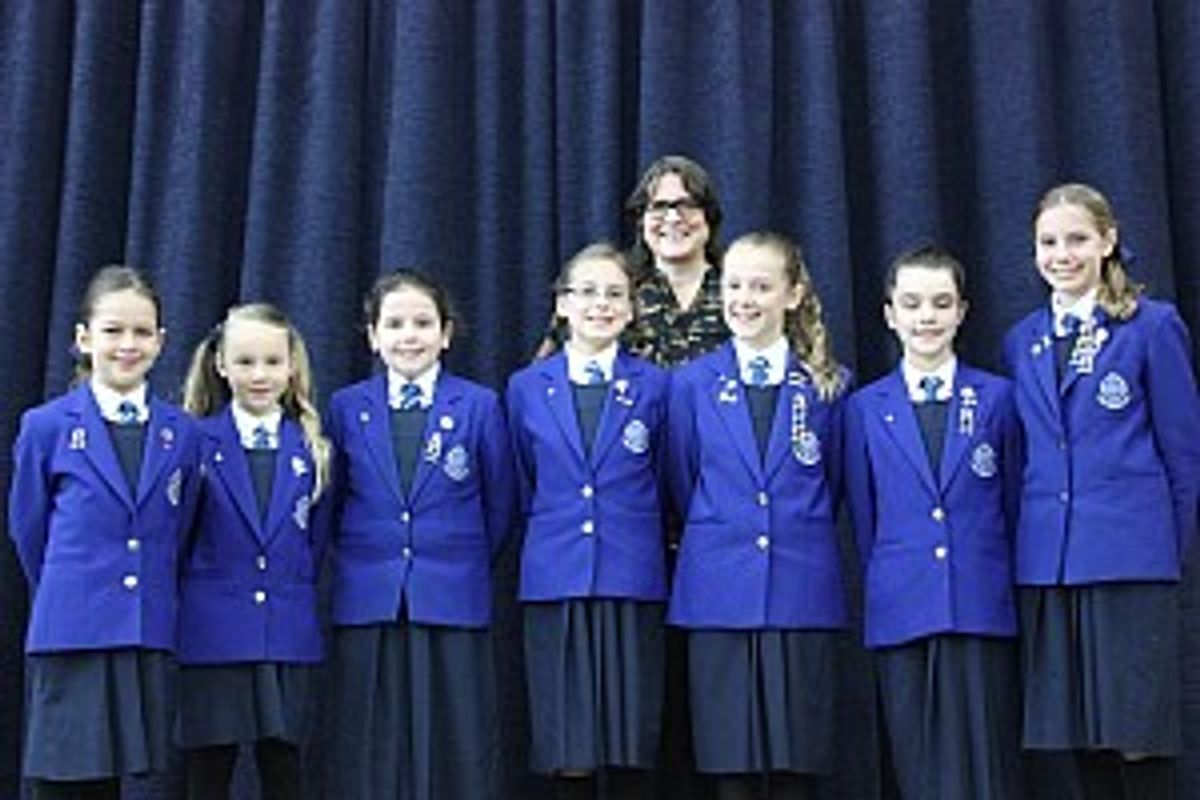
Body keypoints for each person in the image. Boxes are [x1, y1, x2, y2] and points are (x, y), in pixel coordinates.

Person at [1004, 182, 1200, 799]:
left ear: (1108, 241)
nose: (1061, 255)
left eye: (1077, 239)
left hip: (1129, 558)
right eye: (1048, 242)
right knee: (1081, 736)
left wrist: (1165, 551)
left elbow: (1182, 453)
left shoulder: (1151, 326)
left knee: (1136, 732)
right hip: (1054, 563)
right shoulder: (1023, 339)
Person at [665, 232, 851, 800]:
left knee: (798, 762)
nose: (744, 299)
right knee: (731, 767)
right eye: (735, 285)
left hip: (800, 590)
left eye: (761, 287)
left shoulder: (827, 386)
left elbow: (833, 484)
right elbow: (682, 481)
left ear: (793, 295)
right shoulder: (690, 384)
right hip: (719, 593)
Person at [8, 265, 201, 800]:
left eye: (142, 332)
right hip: (73, 630)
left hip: (139, 631)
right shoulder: (46, 426)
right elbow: (29, 531)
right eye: (113, 330)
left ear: (161, 341)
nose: (128, 345)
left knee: (116, 783)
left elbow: (180, 529)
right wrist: (74, 591)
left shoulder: (181, 433)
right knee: (63, 781)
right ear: (83, 338)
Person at [324, 270, 515, 800]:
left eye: (423, 323)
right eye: (395, 324)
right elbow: (331, 507)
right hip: (370, 597)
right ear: (372, 336)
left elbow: (500, 505)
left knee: (458, 741)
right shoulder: (346, 407)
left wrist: (455, 562)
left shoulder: (478, 405)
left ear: (446, 333)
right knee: (370, 741)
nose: (409, 336)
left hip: (452, 595)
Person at [844, 245, 1023, 799]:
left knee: (987, 766)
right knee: (919, 767)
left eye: (941, 304)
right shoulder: (863, 408)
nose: (927, 317)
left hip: (980, 604)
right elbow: (865, 517)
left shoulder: (998, 399)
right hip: (903, 608)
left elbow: (1014, 504)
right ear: (889, 314)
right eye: (913, 303)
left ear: (962, 312)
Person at [507, 243, 669, 800]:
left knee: (630, 745)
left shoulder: (657, 386)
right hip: (557, 579)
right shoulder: (526, 387)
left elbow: (671, 475)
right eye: (588, 292)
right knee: (567, 745)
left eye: (615, 294)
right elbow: (521, 481)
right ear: (562, 303)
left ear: (631, 308)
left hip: (632, 576)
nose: (601, 304)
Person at [177, 303, 331, 799]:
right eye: (245, 362)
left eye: (272, 361)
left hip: (286, 634)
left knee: (283, 769)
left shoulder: (312, 449)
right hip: (212, 637)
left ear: (292, 366)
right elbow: (177, 540)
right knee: (210, 772)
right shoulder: (195, 443)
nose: (260, 375)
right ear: (221, 365)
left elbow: (314, 543)